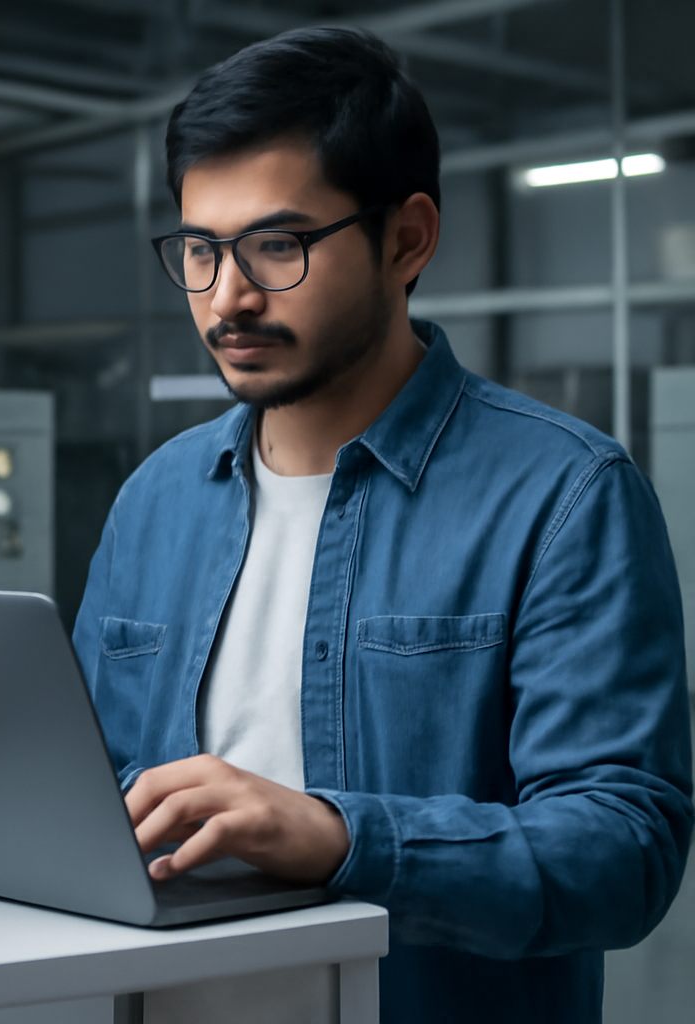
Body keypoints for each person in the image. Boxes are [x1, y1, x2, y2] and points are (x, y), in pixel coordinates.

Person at [71, 26, 693, 1024]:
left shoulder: (564, 493)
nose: (227, 297)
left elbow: (623, 852)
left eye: (278, 245)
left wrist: (340, 834)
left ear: (406, 239)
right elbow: (81, 788)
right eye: (199, 250)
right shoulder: (156, 498)